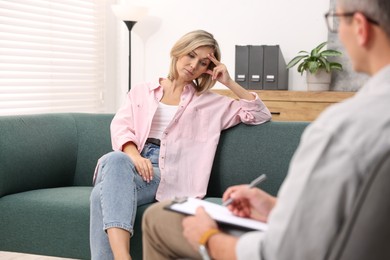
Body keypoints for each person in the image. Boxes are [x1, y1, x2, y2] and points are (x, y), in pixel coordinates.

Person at [142, 0, 390, 259]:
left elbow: (284, 250)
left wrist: (209, 239)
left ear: (360, 27)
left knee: (158, 218)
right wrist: (274, 206)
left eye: (336, 20)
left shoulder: (340, 129)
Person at [89, 30, 271, 260]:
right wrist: (134, 156)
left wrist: (229, 82)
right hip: (131, 163)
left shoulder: (210, 103)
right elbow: (121, 127)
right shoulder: (142, 91)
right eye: (191, 55)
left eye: (203, 62)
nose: (194, 65)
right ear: (178, 51)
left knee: (100, 194)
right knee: (116, 160)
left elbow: (259, 115)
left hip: (167, 176)